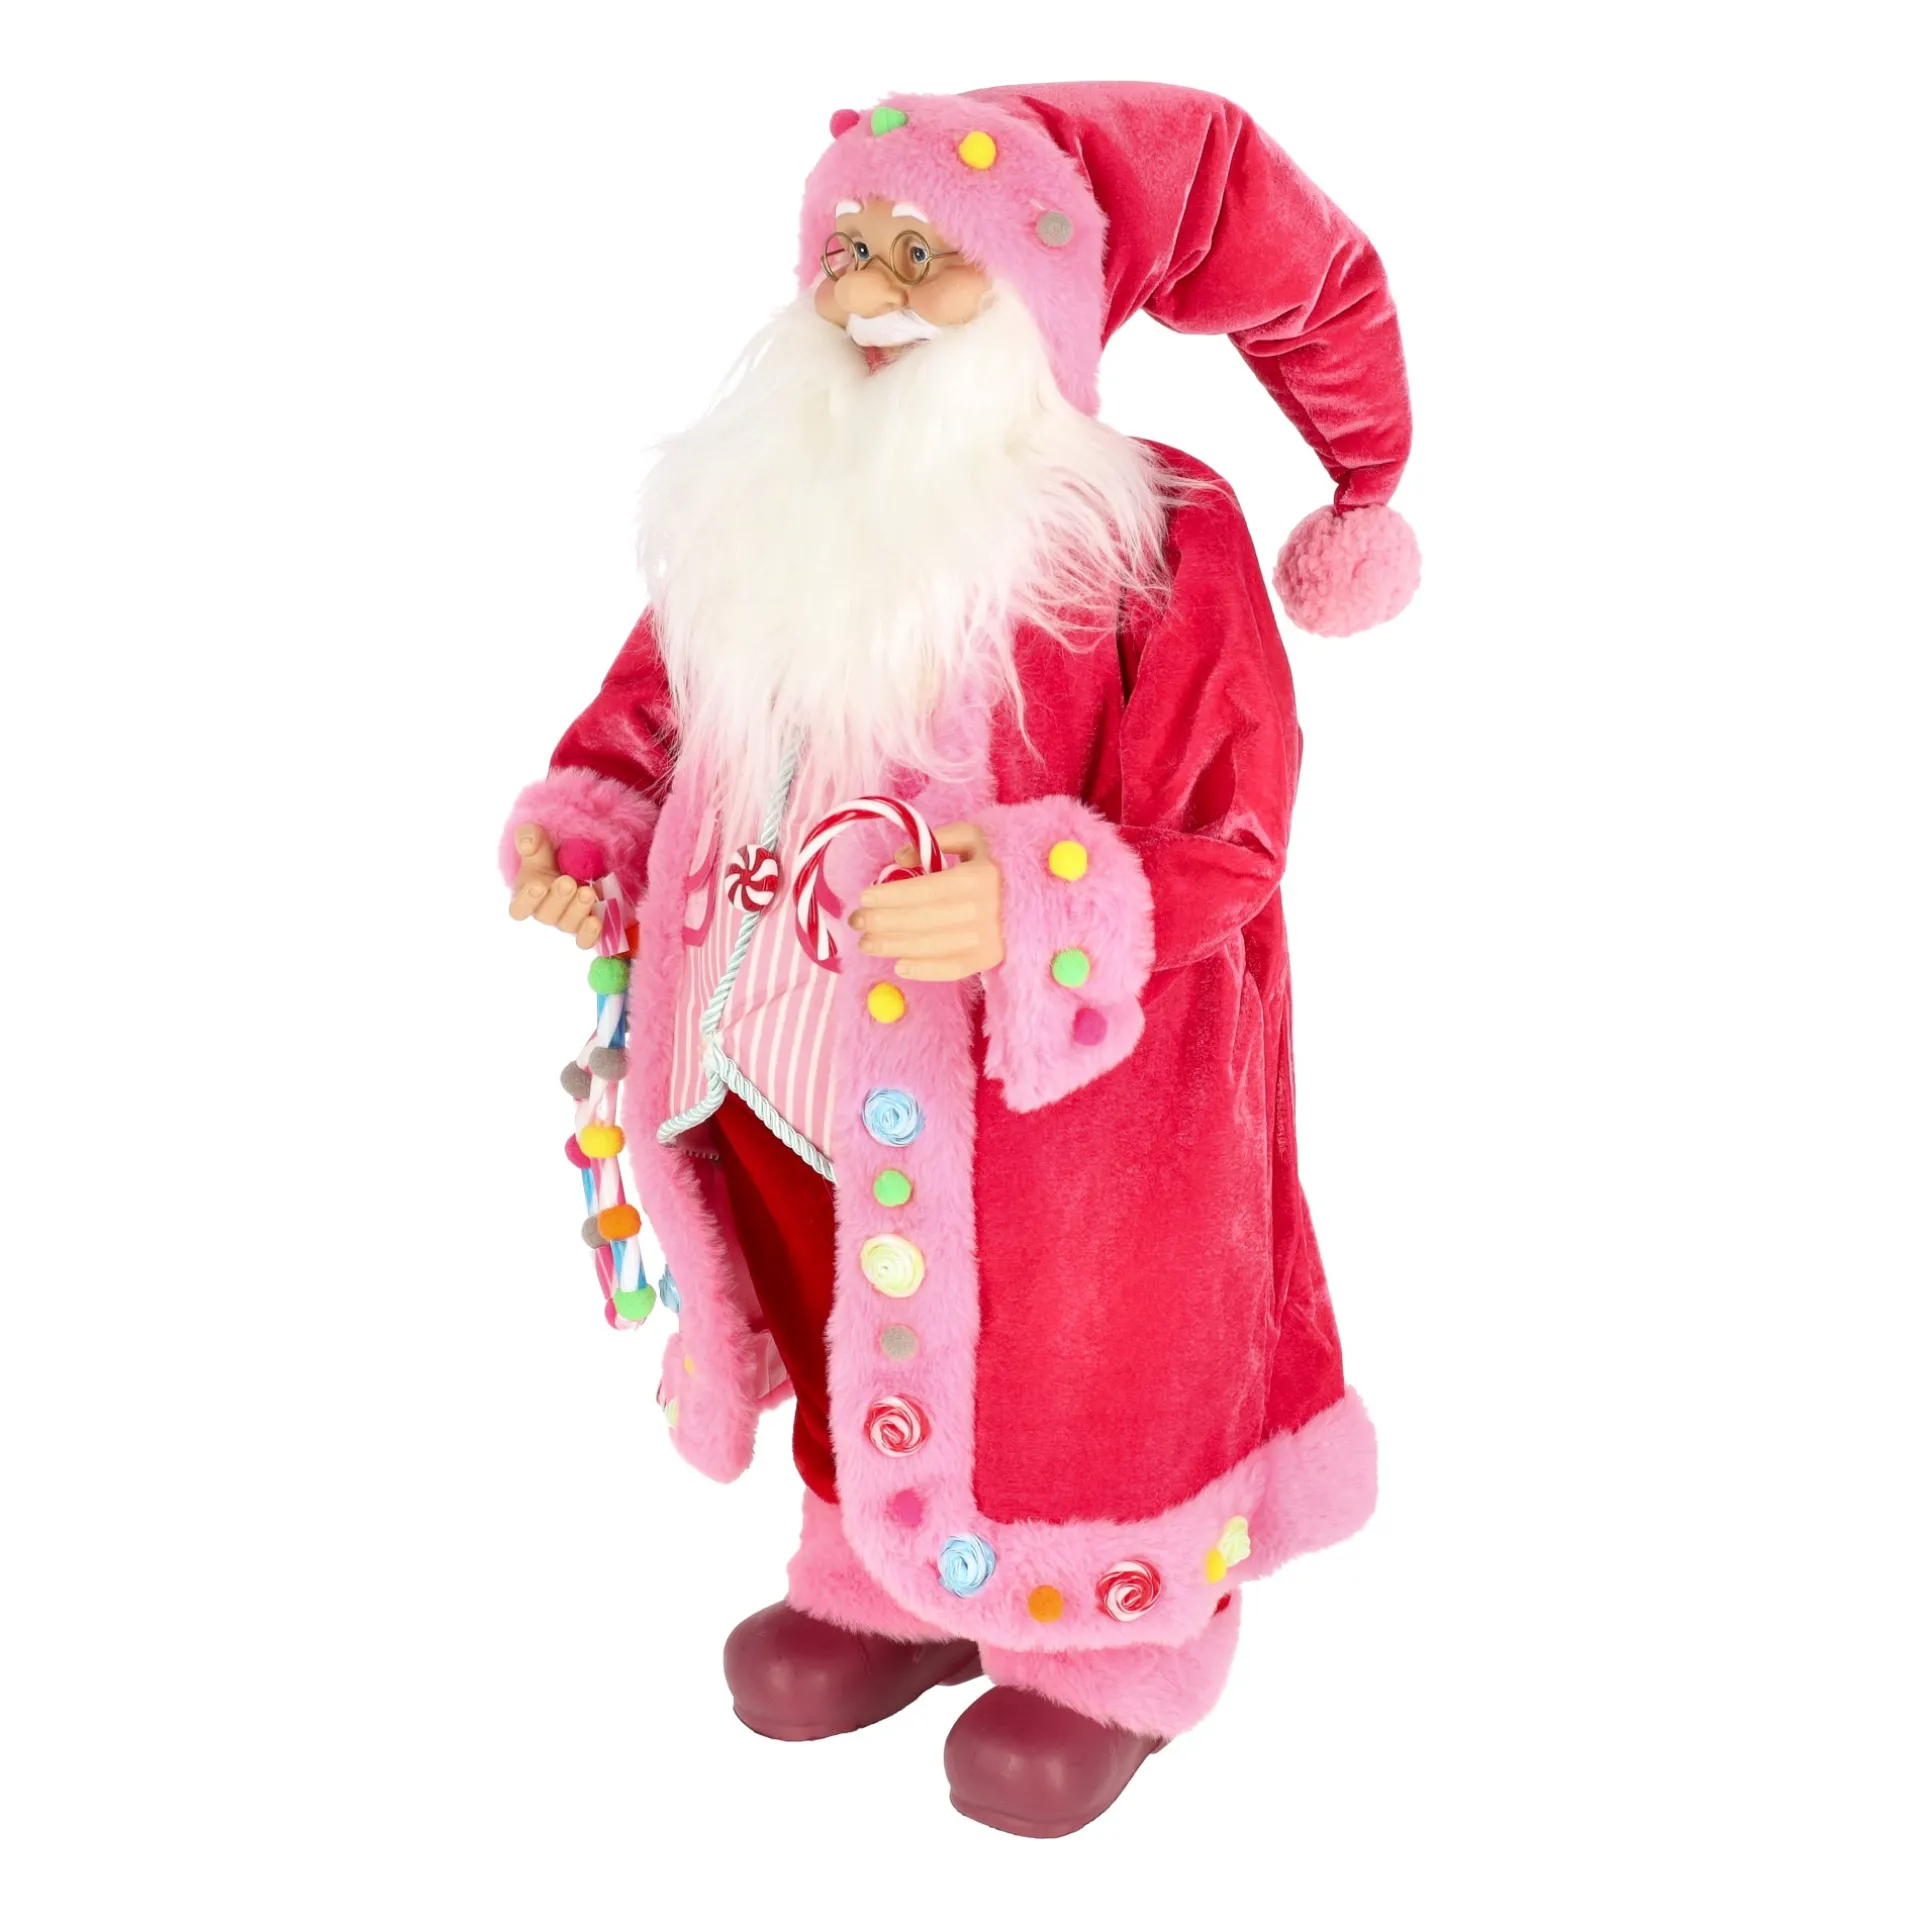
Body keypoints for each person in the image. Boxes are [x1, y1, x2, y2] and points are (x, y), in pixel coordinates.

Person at [501, 81, 1418, 1838]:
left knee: (1066, 1343)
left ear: (1044, 294)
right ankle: (882, 1564)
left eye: (927, 255)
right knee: (839, 1290)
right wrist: (583, 833)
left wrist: (1038, 899)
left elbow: (1228, 832)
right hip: (767, 1046)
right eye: (849, 246)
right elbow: (647, 721)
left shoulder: (1155, 529)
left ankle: (1115, 1641)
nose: (869, 290)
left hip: (1045, 1097)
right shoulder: (759, 514)